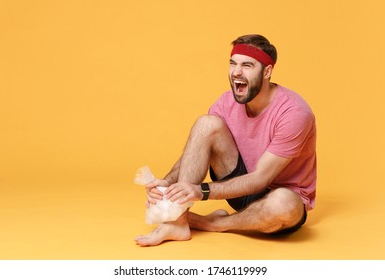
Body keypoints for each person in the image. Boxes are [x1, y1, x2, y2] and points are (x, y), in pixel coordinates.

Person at [134, 34, 316, 247]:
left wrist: (201, 191)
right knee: (206, 124)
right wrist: (168, 182)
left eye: (247, 65)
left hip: (278, 199)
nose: (236, 72)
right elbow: (196, 150)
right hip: (239, 190)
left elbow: (260, 179)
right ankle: (178, 223)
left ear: (267, 72)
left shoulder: (294, 112)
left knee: (283, 204)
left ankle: (215, 224)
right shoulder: (226, 102)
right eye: (233, 64)